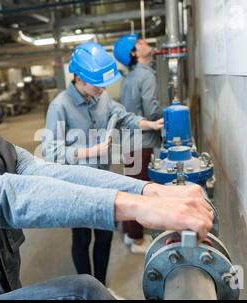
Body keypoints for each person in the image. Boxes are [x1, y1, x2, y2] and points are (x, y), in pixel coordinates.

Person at [0, 17, 213, 300]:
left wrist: (149, 193)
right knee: (83, 294)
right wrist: (137, 209)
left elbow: (55, 174)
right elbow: (1, 197)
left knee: (87, 291)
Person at [42, 42, 163, 286]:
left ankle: (101, 286)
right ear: (78, 77)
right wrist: (91, 151)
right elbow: (50, 151)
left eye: (105, 84)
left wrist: (149, 125)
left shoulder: (103, 97)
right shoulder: (60, 106)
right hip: (76, 184)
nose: (103, 88)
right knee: (82, 238)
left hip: (103, 181)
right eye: (98, 83)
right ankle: (88, 289)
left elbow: (124, 117)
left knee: (106, 237)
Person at [113, 34, 163, 254]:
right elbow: (151, 111)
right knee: (139, 189)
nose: (144, 42)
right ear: (134, 53)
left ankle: (128, 232)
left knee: (131, 185)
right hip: (142, 141)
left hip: (129, 141)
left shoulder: (130, 76)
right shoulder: (146, 75)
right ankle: (137, 239)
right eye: (139, 42)